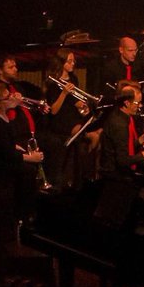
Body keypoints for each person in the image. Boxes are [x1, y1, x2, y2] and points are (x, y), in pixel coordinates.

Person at [0, 82, 46, 231]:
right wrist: (30, 157)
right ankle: (23, 215)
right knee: (29, 171)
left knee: (28, 166)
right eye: (7, 97)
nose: (12, 98)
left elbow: (6, 145)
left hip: (3, 156)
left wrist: (17, 147)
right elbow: (5, 153)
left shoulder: (2, 116)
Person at [41, 48, 98, 188]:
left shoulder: (73, 79)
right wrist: (64, 93)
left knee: (98, 131)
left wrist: (82, 106)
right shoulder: (53, 83)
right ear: (62, 63)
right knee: (92, 136)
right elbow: (54, 110)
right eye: (70, 61)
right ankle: (84, 173)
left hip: (72, 115)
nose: (73, 64)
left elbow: (74, 101)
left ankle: (86, 170)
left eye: (74, 61)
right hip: (60, 120)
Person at [97, 83, 144, 178]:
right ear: (127, 103)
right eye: (137, 103)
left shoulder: (126, 116)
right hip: (117, 174)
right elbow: (122, 161)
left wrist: (142, 138)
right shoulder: (119, 125)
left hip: (126, 166)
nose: (140, 106)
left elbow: (126, 146)